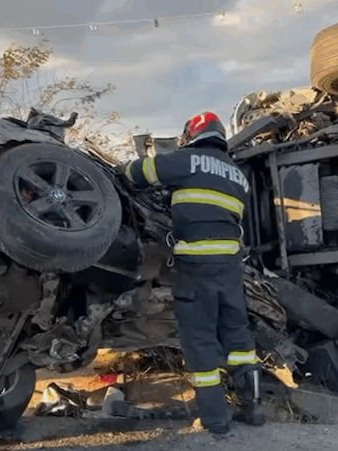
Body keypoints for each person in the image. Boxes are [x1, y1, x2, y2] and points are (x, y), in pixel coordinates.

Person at [118, 112, 265, 435]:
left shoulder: (186, 161)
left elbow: (137, 174)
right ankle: (253, 409)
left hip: (196, 269)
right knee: (239, 340)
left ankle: (215, 420)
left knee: (200, 343)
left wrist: (123, 168)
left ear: (191, 135)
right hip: (229, 270)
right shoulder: (238, 177)